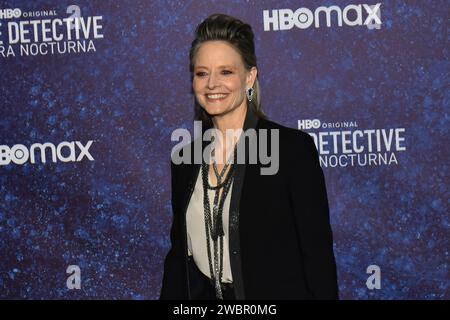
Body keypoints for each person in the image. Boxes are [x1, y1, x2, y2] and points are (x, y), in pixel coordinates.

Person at [160, 13, 338, 300]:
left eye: (226, 72)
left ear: (249, 77)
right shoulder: (185, 158)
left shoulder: (290, 149)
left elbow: (317, 256)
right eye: (202, 73)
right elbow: (180, 257)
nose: (212, 84)